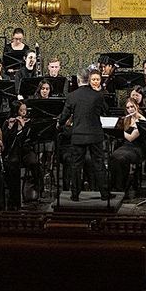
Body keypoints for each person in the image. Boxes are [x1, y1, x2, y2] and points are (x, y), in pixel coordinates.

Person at [58, 70, 110, 201]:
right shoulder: (98, 95)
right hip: (95, 135)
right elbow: (106, 110)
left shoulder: (72, 96)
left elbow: (64, 116)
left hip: (78, 135)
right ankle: (104, 194)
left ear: (78, 80)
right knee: (98, 164)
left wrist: (60, 123)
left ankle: (75, 194)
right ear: (89, 79)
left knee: (76, 165)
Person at [108, 100, 146, 197]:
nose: (130, 109)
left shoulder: (141, 120)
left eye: (132, 107)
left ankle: (121, 187)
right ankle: (115, 185)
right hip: (126, 146)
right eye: (128, 107)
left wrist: (119, 130)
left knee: (121, 158)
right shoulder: (127, 119)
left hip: (137, 148)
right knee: (114, 156)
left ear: (137, 107)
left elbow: (131, 138)